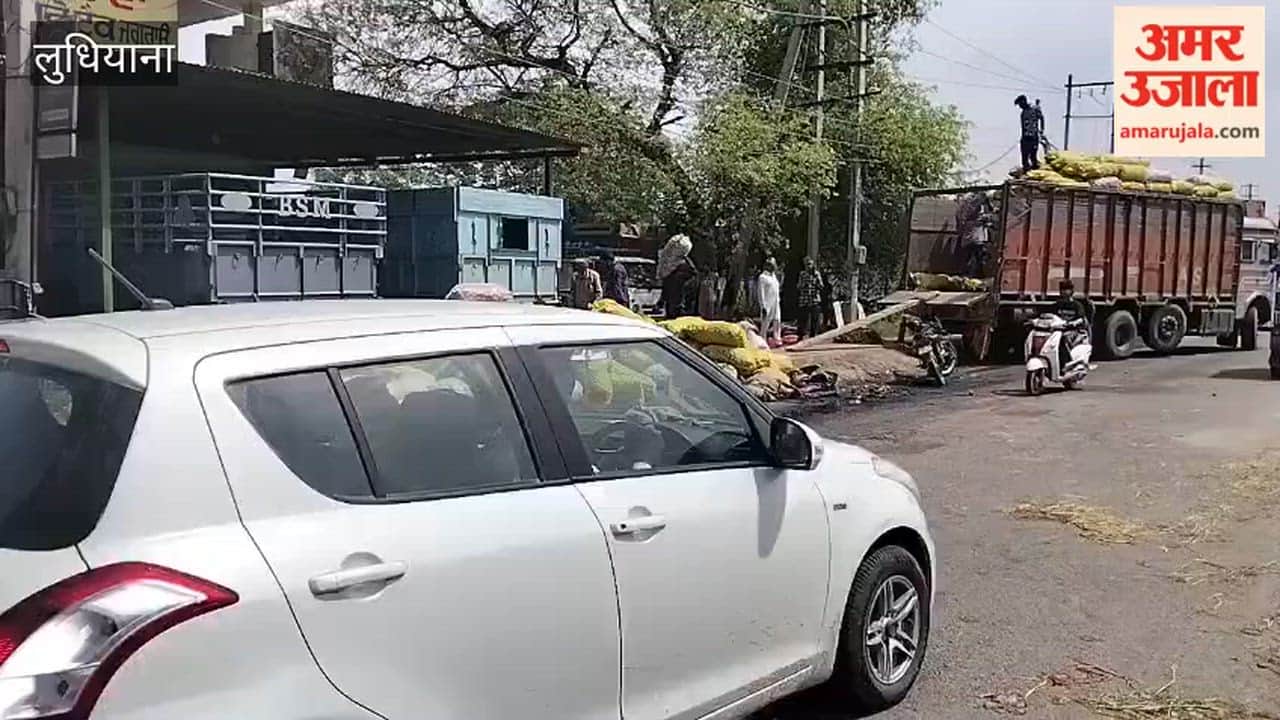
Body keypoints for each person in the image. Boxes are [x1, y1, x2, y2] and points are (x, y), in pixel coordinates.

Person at [796, 256, 824, 339]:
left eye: (810, 264)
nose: (809, 266)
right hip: (804, 300)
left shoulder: (816, 274)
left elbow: (821, 286)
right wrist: (804, 284)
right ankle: (801, 335)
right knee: (803, 319)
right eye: (807, 265)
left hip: (814, 299)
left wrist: (816, 279)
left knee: (815, 319)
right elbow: (798, 286)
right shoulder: (802, 274)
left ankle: (813, 335)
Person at [1015, 94, 1045, 171]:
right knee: (1024, 158)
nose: (1020, 106)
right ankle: (1026, 171)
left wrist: (1041, 130)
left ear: (1024, 101)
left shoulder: (1034, 109)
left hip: (1033, 137)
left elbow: (1041, 118)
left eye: (1020, 104)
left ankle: (1035, 171)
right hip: (1025, 138)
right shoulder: (1023, 113)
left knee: (1033, 157)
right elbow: (1023, 127)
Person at [757, 258, 782, 344]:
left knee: (777, 320)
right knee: (765, 322)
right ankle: (762, 340)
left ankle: (777, 338)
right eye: (771, 265)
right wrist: (763, 305)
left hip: (775, 302)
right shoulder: (762, 277)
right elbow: (761, 292)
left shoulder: (774, 276)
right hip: (767, 303)